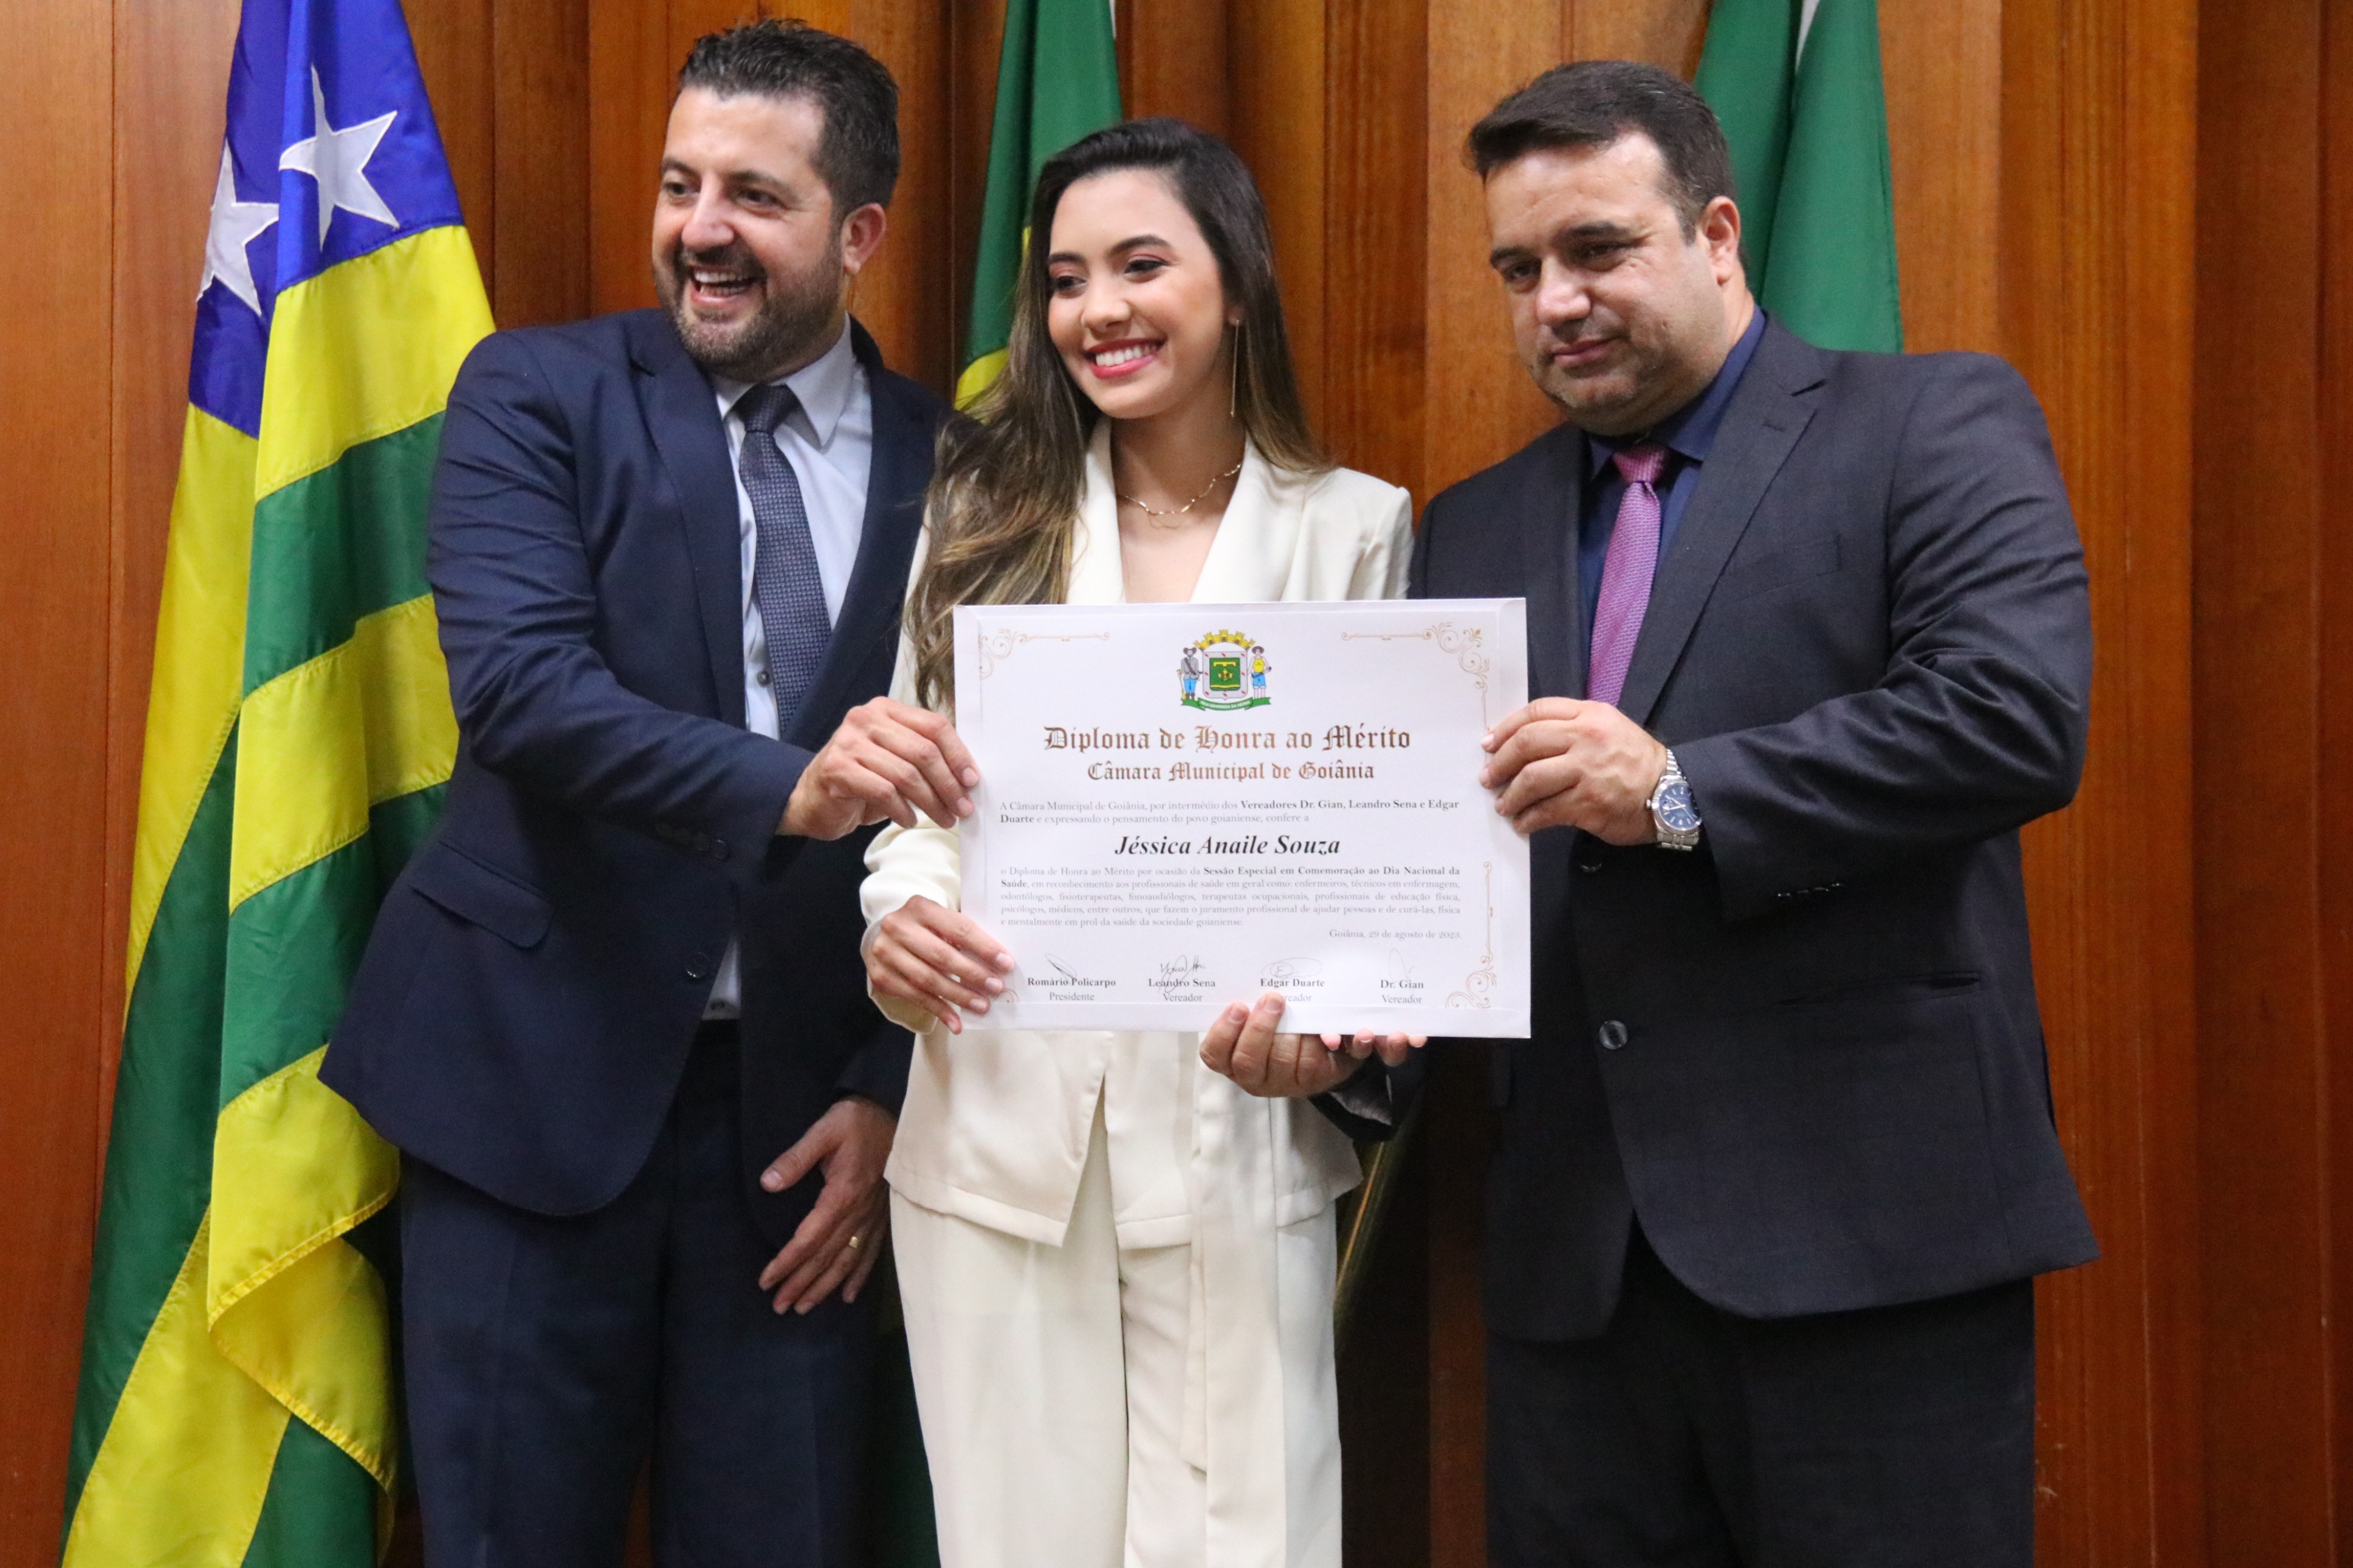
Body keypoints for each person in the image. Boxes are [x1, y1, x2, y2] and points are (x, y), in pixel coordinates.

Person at [1219, 60, 2098, 1564]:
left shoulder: (1929, 422)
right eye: (1518, 269)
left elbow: (2008, 717)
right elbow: (1441, 865)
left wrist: (1679, 790)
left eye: (1596, 250)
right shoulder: (1475, 523)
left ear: (1716, 234)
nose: (1553, 301)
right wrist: (1345, 1034)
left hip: (1867, 1252)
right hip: (1576, 1278)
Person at [323, 22, 977, 1567]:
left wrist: (890, 1090)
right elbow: (521, 691)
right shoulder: (535, 393)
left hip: (800, 1143)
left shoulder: (959, 463)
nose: (700, 229)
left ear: (858, 234)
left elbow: (983, 804)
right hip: (525, 1096)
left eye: (754, 195)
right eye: (681, 185)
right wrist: (794, 786)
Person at [854, 119, 1415, 1568]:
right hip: (995, 1137)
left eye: (1140, 265)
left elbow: (1373, 845)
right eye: (1064, 279)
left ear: (1238, 281)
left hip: (1238, 1134)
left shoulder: (1355, 532)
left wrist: (1343, 1013)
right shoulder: (981, 514)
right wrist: (899, 924)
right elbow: (923, 804)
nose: (1096, 308)